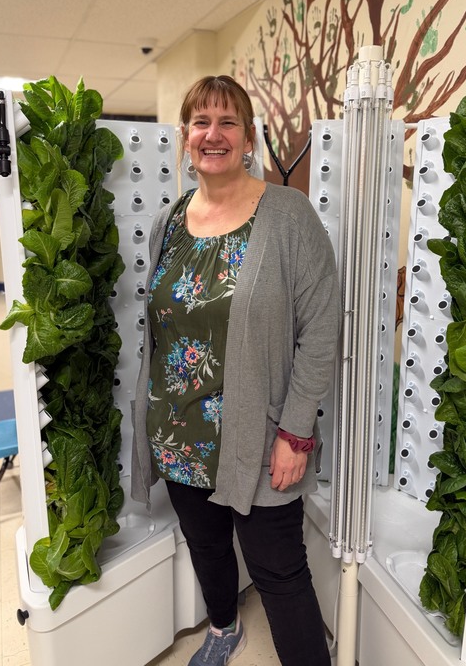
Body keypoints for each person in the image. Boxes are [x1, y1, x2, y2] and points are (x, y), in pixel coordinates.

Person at [131, 75, 340, 666]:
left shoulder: (289, 216)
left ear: (248, 138)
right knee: (206, 545)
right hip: (181, 433)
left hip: (259, 432)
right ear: (185, 137)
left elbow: (321, 328)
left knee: (279, 571)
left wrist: (295, 432)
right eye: (201, 122)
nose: (213, 135)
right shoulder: (170, 222)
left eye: (228, 123)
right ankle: (223, 629)